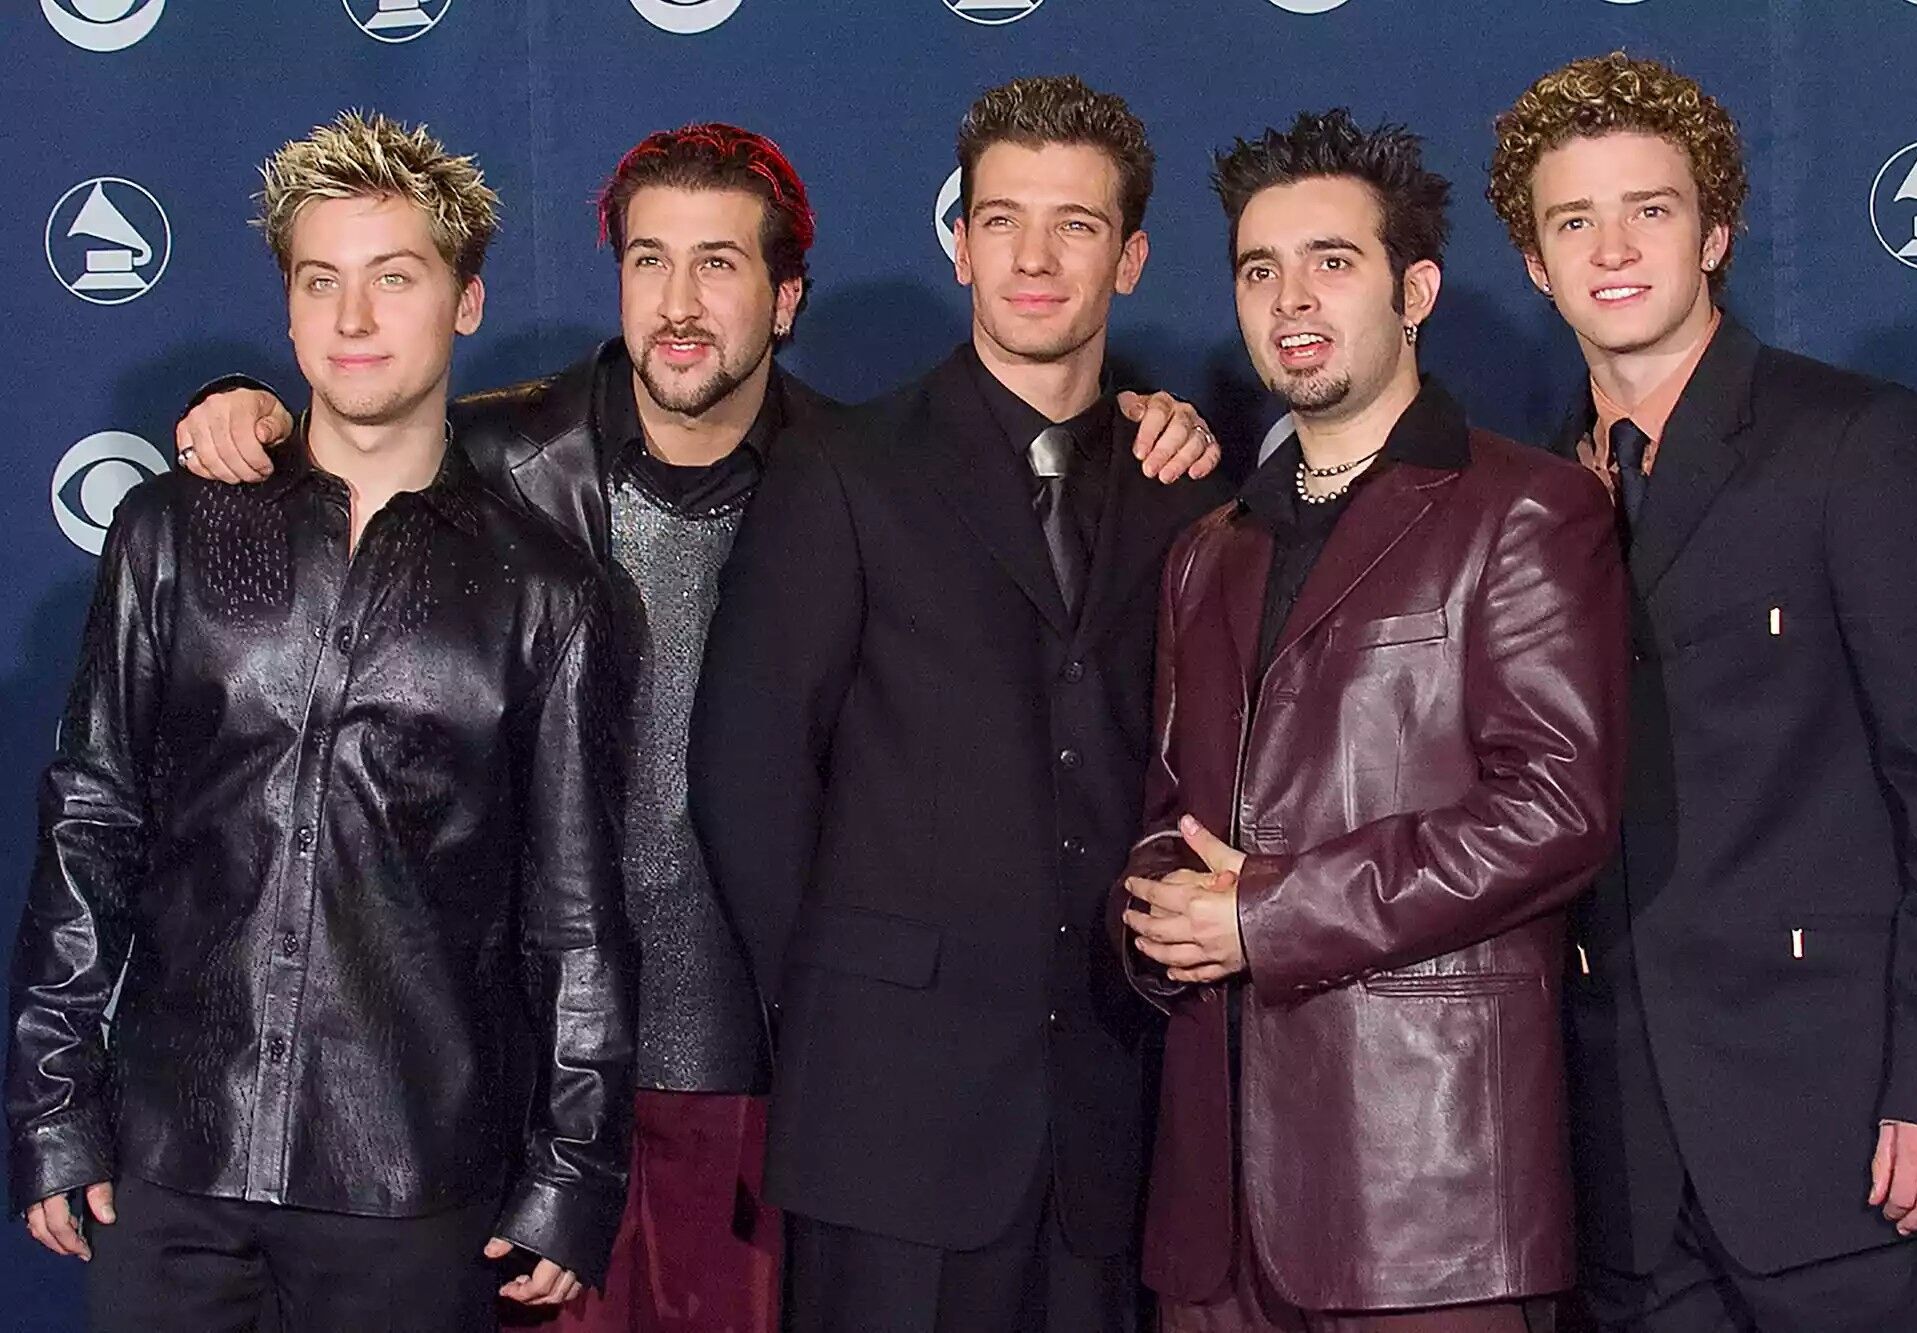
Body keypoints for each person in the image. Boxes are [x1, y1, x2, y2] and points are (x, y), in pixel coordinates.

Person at [171, 121, 1218, 1333]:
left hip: (754, 1078)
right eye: (648, 260)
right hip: (515, 1077)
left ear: (785, 301)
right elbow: (352, 439)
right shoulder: (497, 456)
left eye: (717, 264)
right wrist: (236, 405)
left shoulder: (862, 474)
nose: (677, 302)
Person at [5, 111, 635, 1331]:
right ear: (288, 308)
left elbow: (575, 915)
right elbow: (92, 822)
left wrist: (573, 1168)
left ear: (464, 303)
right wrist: (51, 1096)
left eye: (393, 279)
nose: (352, 321)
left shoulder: (544, 590)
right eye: (321, 282)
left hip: (414, 1178)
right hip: (169, 1167)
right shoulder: (171, 531)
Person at [688, 75, 1231, 1333]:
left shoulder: (1184, 488)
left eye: (1076, 226)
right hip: (888, 1122)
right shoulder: (844, 467)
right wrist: (849, 1000)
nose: (1034, 259)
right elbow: (745, 770)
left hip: (1118, 1117)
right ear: (959, 241)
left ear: (1133, 257)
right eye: (1001, 221)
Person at [1487, 51, 1917, 1331]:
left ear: (1713, 232)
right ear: (1534, 264)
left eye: (1647, 209)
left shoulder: (1849, 440)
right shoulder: (1524, 498)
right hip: (1610, 1165)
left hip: (1843, 1143)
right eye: (1572, 220)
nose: (1611, 247)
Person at [1116, 109, 1624, 1333]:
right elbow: (1169, 813)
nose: (1290, 297)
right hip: (1211, 1221)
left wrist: (1264, 912)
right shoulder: (1206, 550)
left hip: (1427, 1201)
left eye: (1329, 261)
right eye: (1257, 268)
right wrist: (1157, 914)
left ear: (1415, 290)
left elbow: (1557, 808)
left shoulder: (1525, 510)